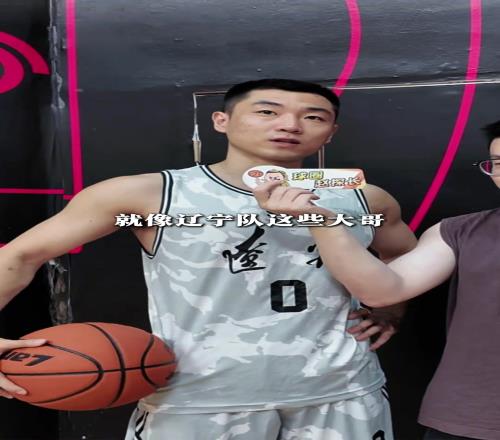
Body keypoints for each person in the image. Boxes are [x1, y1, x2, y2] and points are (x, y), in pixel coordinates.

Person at [0, 79, 416, 440]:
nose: (290, 125)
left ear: (331, 132)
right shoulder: (149, 194)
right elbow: (21, 254)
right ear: (222, 121)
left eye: (313, 117)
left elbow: (405, 255)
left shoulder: (365, 199)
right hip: (198, 396)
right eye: (268, 112)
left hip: (341, 390)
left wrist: (389, 310)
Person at [256, 119, 500, 440]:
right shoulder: (458, 231)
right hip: (470, 418)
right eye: (497, 163)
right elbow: (383, 291)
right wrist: (322, 221)